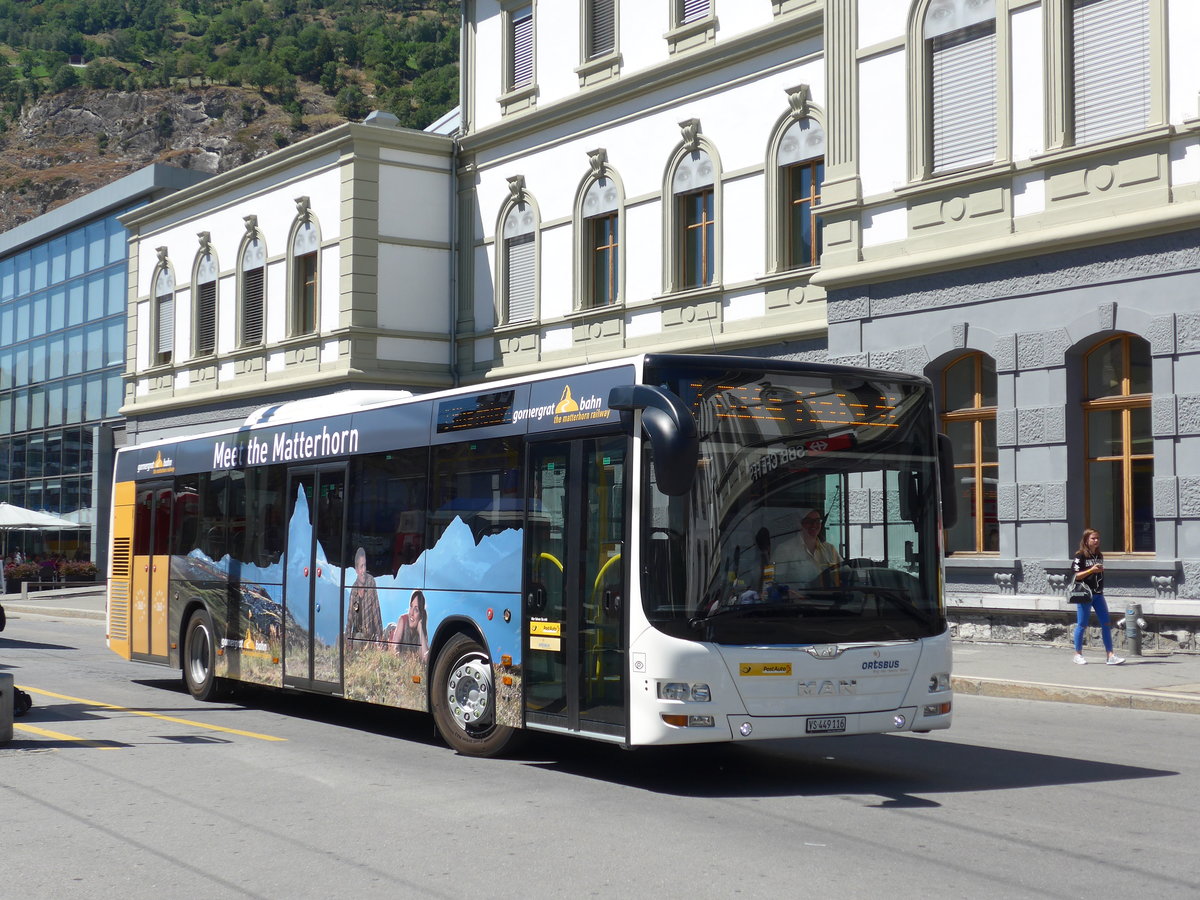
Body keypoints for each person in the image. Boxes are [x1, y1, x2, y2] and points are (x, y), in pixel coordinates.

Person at [1071, 528, 1124, 665]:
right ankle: (1078, 654)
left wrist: (1098, 571)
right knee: (1082, 624)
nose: (1096, 541)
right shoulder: (1080, 556)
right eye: (1093, 539)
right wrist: (1091, 570)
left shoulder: (1099, 555)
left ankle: (1110, 655)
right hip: (1085, 594)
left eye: (1098, 538)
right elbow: (1076, 575)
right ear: (1086, 540)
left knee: (1106, 623)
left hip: (1098, 594)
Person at [774, 508, 842, 590]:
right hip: (798, 602)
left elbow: (846, 572)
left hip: (829, 601)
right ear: (799, 524)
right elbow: (774, 583)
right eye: (808, 521)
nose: (814, 525)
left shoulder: (830, 549)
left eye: (817, 521)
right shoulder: (784, 549)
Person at [345, 546, 383, 648]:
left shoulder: (370, 582)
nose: (363, 570)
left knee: (359, 639)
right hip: (357, 634)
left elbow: (376, 611)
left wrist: (380, 637)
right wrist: (348, 637)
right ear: (356, 569)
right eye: (361, 567)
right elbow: (350, 615)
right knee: (341, 638)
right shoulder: (354, 589)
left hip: (369, 636)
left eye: (365, 566)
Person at [392, 589, 430, 664]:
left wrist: (420, 630)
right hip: (390, 632)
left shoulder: (421, 631)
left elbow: (426, 659)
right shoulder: (403, 619)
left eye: (416, 610)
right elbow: (394, 647)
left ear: (421, 615)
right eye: (411, 606)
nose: (411, 613)